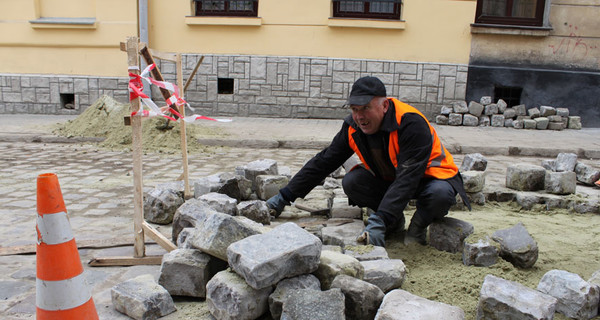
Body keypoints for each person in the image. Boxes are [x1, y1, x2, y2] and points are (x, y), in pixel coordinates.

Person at [266, 76, 470, 247]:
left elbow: (408, 178)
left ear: (384, 105)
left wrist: (380, 218)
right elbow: (324, 162)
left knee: (440, 195)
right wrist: (284, 196)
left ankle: (417, 228)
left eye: (365, 108)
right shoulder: (352, 127)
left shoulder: (410, 123)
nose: (359, 116)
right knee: (352, 182)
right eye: (354, 109)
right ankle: (394, 222)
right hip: (392, 179)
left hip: (430, 179)